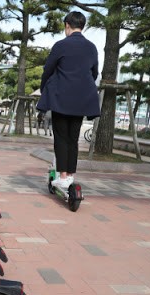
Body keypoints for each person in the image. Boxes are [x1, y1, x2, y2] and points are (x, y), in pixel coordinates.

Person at [37, 11, 100, 189]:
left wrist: (44, 90)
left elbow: (48, 69)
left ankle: (62, 176)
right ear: (83, 26)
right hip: (82, 99)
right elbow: (94, 73)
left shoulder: (61, 45)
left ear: (67, 25)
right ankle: (71, 175)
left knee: (61, 137)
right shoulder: (92, 47)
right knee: (73, 138)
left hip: (61, 98)